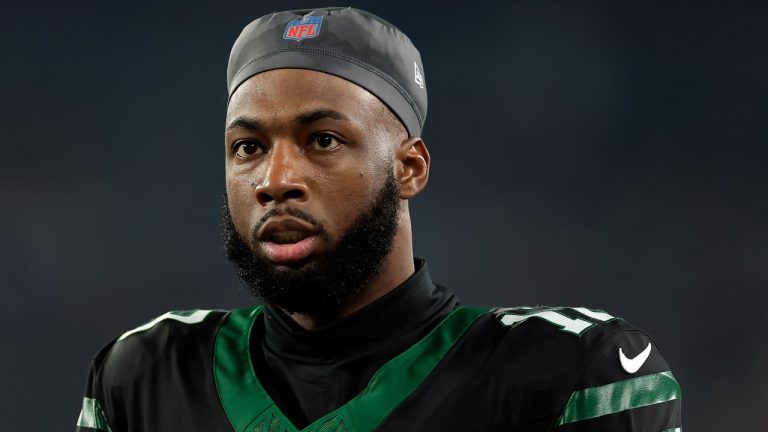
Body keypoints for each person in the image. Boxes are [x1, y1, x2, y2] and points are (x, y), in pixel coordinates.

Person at [75, 7, 682, 432]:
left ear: (410, 167)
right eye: (248, 148)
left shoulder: (570, 371)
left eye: (324, 140)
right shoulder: (147, 375)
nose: (275, 180)